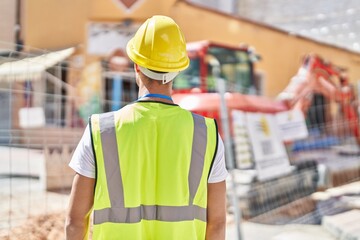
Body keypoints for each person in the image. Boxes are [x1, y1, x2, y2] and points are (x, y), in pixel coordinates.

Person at [65, 15, 228, 240]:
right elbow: (217, 224)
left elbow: (74, 221)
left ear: (137, 66)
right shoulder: (207, 134)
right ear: (178, 70)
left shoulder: (100, 131)